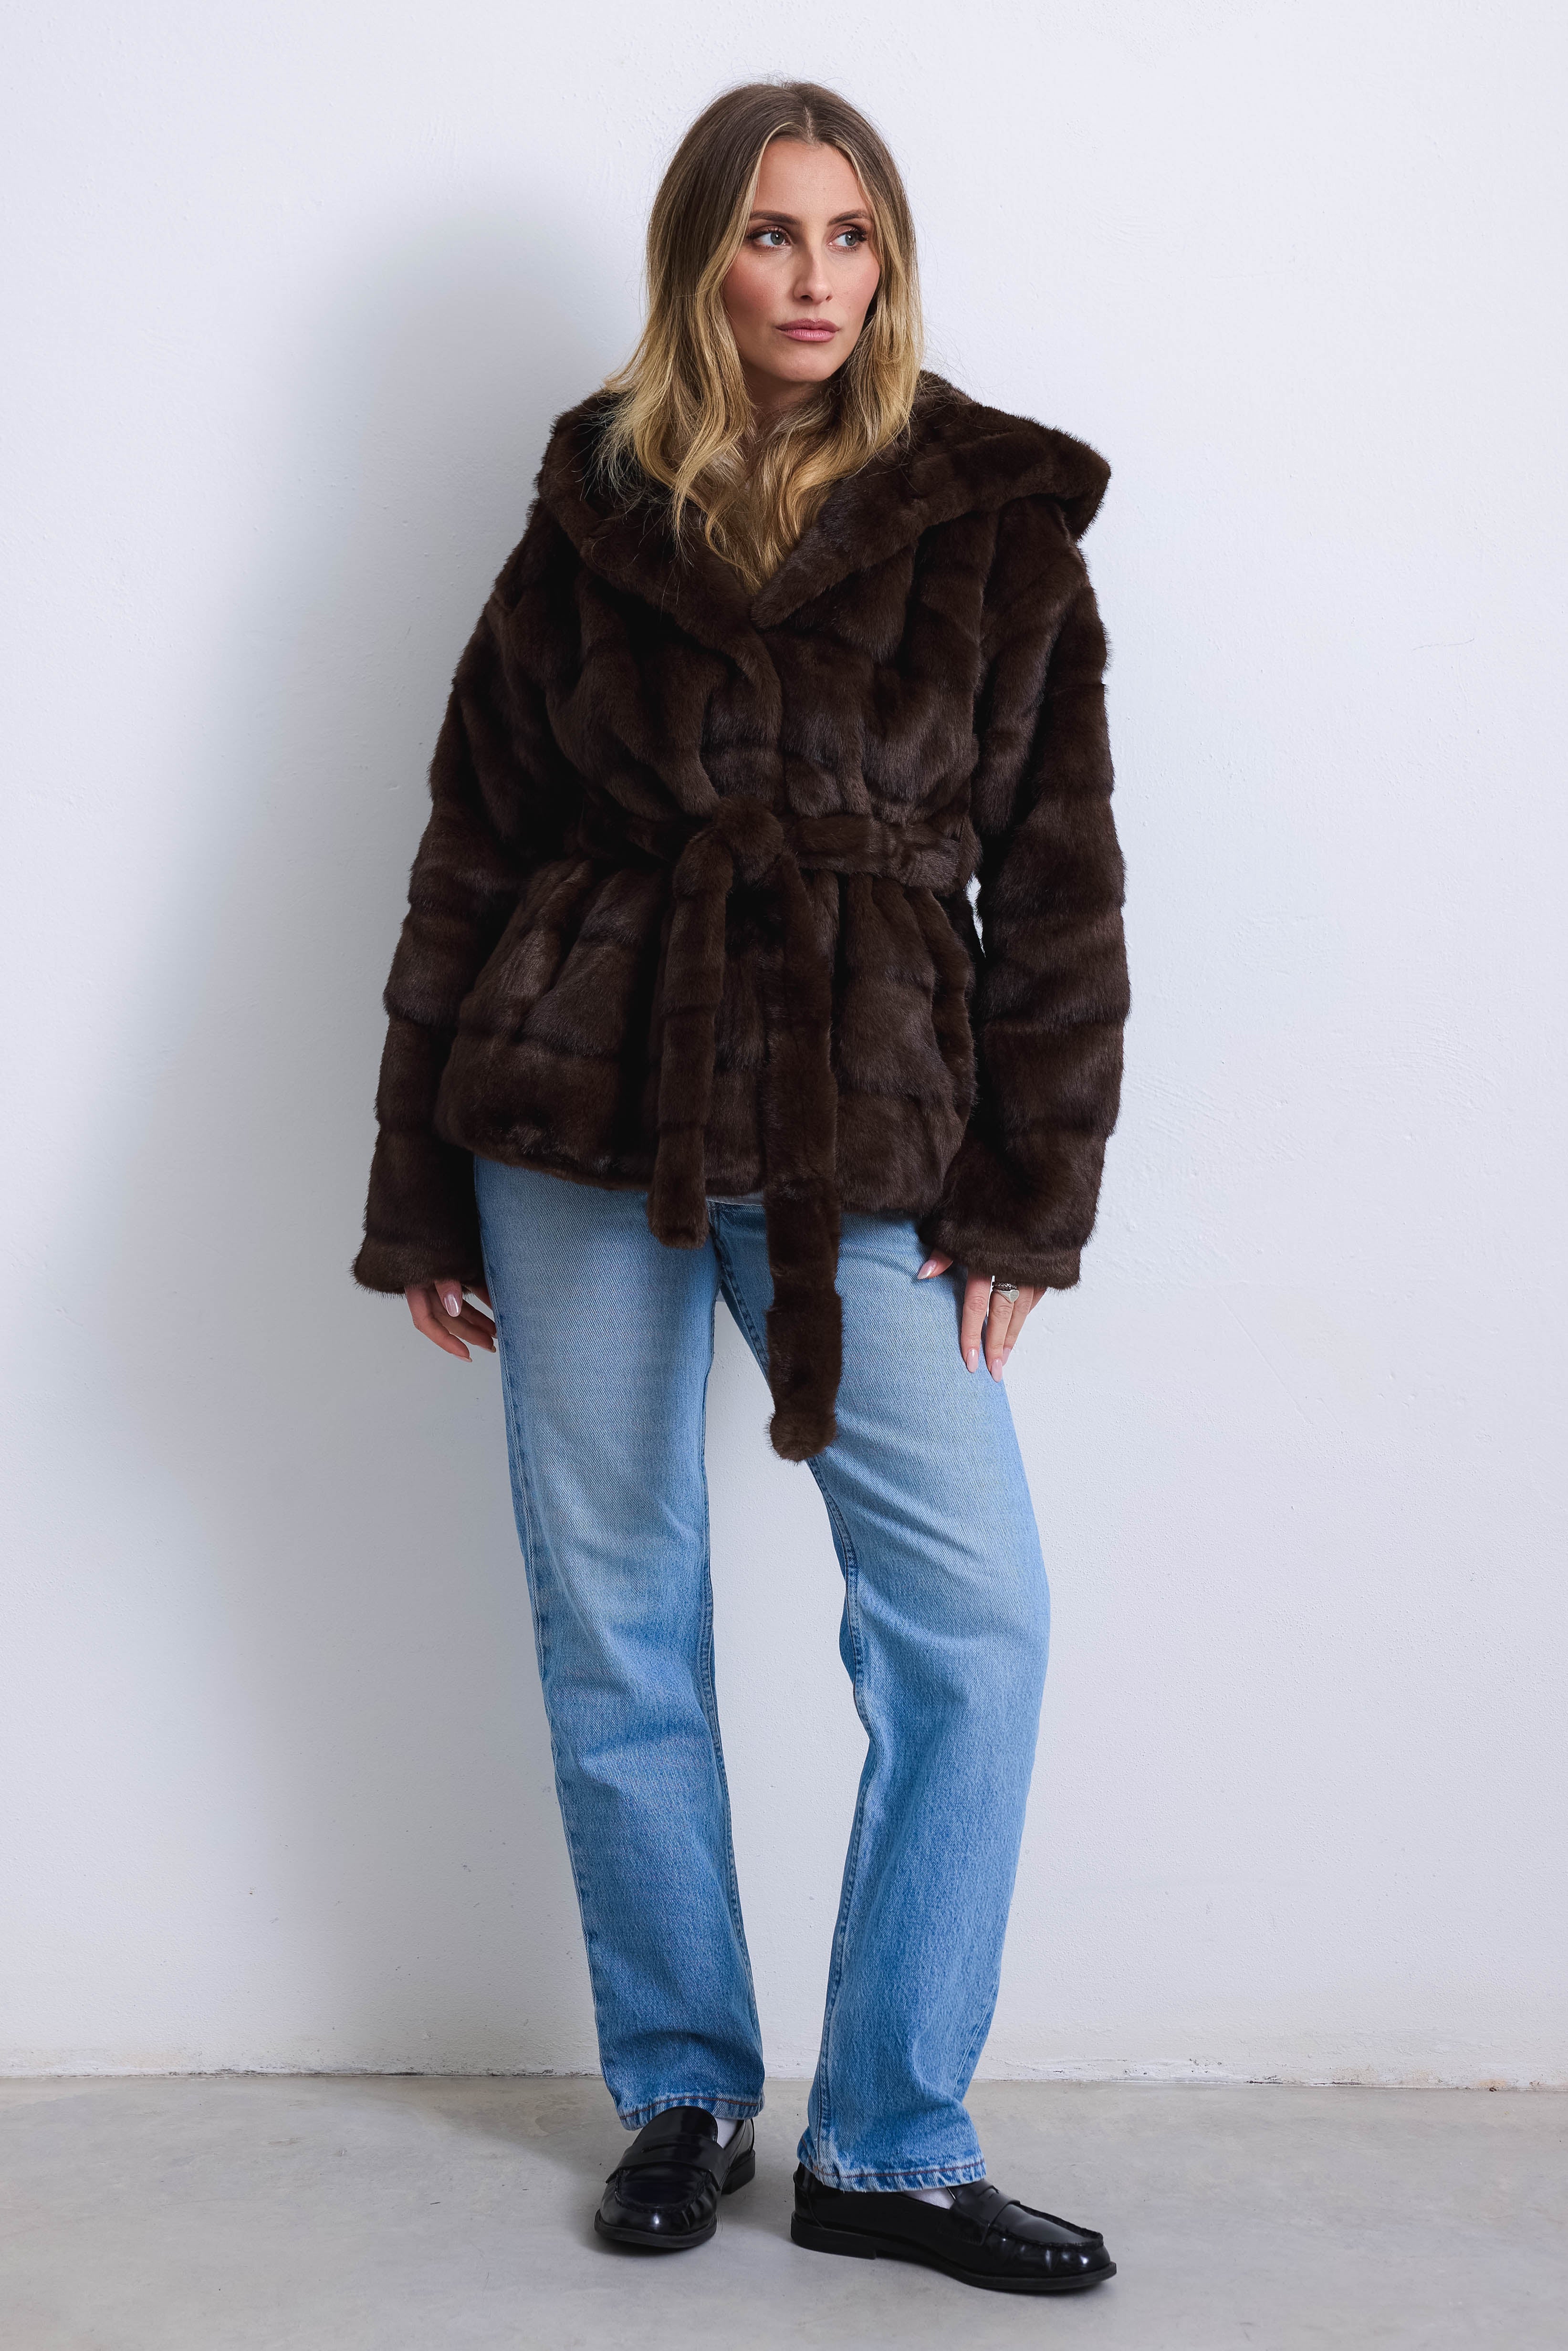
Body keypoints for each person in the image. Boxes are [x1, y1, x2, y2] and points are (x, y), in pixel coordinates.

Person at [354, 79, 1128, 2297]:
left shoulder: (996, 518)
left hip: (864, 1123)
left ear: (894, 260)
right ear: (701, 260)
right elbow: (473, 838)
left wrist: (1029, 1190)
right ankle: (685, 2085)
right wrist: (423, 1186)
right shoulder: (595, 505)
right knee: (618, 1608)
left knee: (974, 1622)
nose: (813, 278)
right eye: (770, 235)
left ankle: (890, 2138)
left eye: (850, 235)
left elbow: (1056, 887)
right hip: (573, 1104)